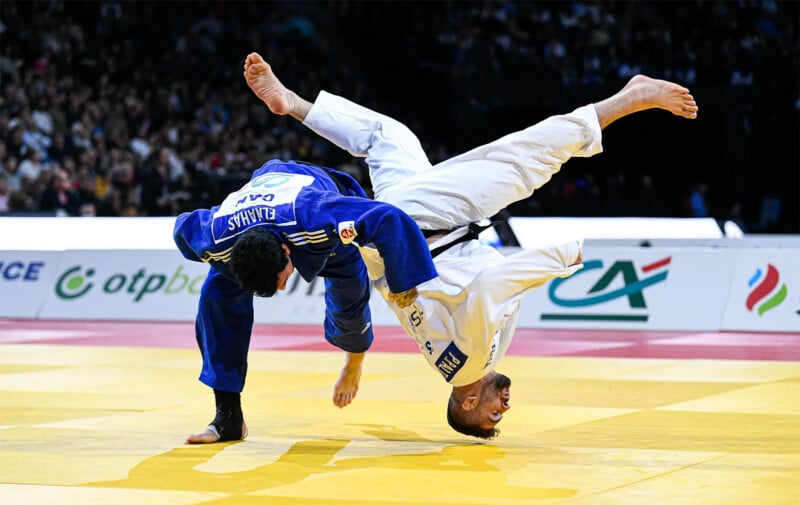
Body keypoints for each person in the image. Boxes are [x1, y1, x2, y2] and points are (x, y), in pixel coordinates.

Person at [242, 51, 698, 439]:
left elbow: (491, 287)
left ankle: (631, 97)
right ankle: (293, 103)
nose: (505, 406)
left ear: (469, 402)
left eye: (493, 414)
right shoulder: (454, 363)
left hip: (422, 225)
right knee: (388, 137)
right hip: (408, 230)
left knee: (526, 159)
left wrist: (563, 257)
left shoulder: (472, 361)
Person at [172, 106, 438, 444]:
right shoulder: (214, 236)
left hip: (318, 203)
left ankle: (355, 358)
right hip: (261, 202)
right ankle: (228, 417)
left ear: (287, 253)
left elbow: (389, 217)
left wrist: (404, 283)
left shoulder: (319, 215)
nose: (284, 289)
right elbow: (181, 227)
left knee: (349, 303)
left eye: (282, 280)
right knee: (216, 293)